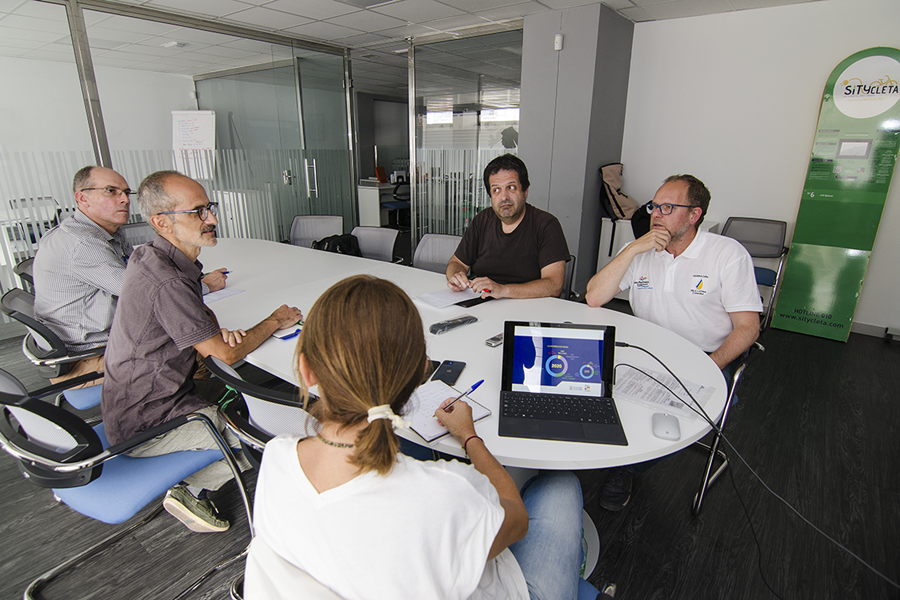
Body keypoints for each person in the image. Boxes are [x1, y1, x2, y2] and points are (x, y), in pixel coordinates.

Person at [245, 275, 601, 600]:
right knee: (560, 484)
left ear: (306, 370)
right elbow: (516, 521)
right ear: (421, 374)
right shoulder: (443, 491)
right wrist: (469, 437)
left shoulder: (276, 457)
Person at [100, 170, 303, 533]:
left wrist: (208, 326)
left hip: (139, 397)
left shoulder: (152, 256)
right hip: (148, 420)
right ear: (161, 222)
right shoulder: (168, 280)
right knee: (263, 440)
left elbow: (192, 320)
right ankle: (191, 490)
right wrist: (274, 321)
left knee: (241, 398)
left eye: (208, 207)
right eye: (197, 212)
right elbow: (221, 356)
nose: (212, 219)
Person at [585, 174, 762, 511]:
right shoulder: (641, 250)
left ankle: (627, 468)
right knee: (585, 382)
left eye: (667, 207)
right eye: (654, 206)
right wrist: (634, 247)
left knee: (673, 414)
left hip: (705, 358)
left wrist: (709, 366)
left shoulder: (726, 254)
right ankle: (601, 448)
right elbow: (594, 297)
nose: (656, 214)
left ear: (694, 215)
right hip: (643, 351)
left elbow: (748, 328)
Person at [32, 166, 228, 385]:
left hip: (93, 342)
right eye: (111, 191)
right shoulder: (82, 244)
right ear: (82, 198)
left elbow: (144, 275)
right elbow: (144, 292)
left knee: (198, 327)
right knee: (197, 347)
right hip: (86, 359)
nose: (124, 199)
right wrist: (205, 285)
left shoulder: (107, 232)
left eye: (126, 192)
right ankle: (191, 409)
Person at [446, 154, 570, 300]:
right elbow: (456, 262)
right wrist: (456, 276)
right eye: (496, 190)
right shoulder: (482, 220)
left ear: (525, 191)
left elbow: (554, 285)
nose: (504, 197)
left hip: (529, 309)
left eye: (511, 187)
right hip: (483, 303)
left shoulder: (546, 225)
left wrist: (503, 290)